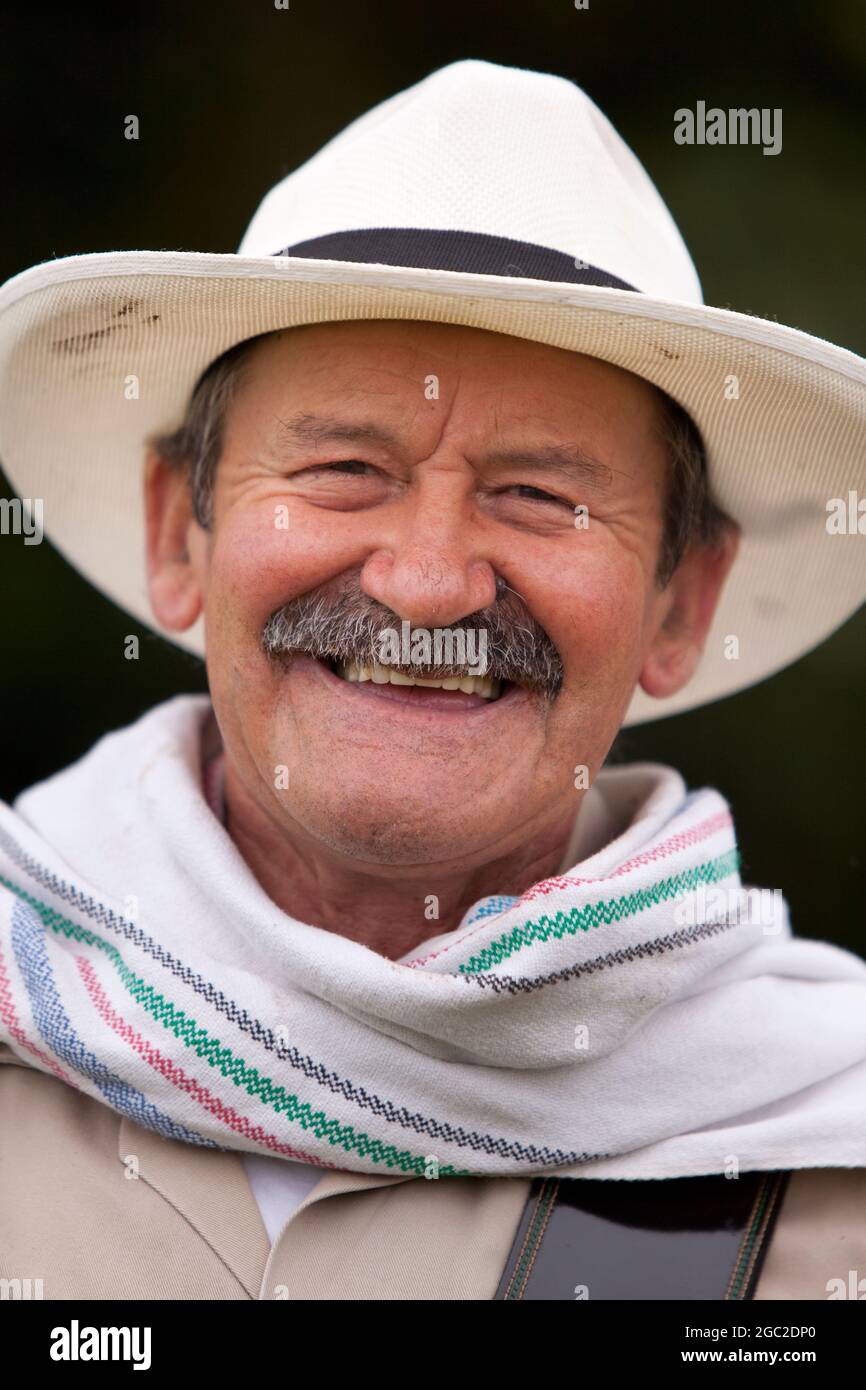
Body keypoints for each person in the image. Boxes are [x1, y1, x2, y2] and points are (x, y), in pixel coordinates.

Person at [0, 58, 864, 1301]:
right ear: (173, 533)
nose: (425, 582)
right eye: (344, 467)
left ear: (681, 602)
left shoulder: (824, 1166)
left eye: (538, 496)